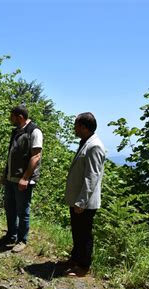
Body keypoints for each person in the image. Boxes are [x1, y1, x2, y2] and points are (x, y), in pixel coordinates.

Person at [0, 105, 43, 253]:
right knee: (10, 208)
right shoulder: (16, 131)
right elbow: (11, 155)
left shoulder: (34, 131)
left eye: (12, 116)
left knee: (23, 211)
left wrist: (25, 178)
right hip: (11, 178)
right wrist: (5, 174)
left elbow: (36, 156)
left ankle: (22, 240)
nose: (10, 119)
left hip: (23, 180)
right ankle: (11, 235)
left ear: (19, 117)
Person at [64, 112, 105, 277]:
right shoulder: (86, 143)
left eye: (76, 125)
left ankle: (83, 266)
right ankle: (75, 258)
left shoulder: (94, 146)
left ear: (83, 127)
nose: (74, 128)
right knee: (77, 231)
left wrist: (81, 201)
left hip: (85, 202)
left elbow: (92, 176)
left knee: (84, 234)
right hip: (78, 199)